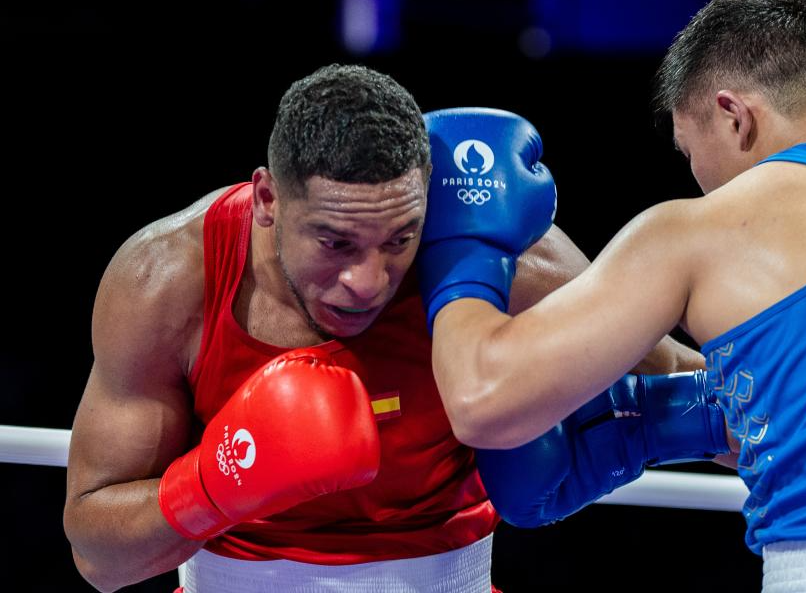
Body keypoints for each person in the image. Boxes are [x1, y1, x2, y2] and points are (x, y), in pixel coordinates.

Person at [419, 0, 806, 590]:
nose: (698, 178)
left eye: (689, 150)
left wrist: (460, 246)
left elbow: (482, 400)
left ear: (736, 116)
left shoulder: (703, 231)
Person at [62, 64, 717, 593]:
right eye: (335, 241)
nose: (368, 280)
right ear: (268, 199)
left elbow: (715, 392)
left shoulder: (504, 263)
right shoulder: (171, 280)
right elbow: (99, 558)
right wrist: (217, 482)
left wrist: (805, 422)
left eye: (400, 238)